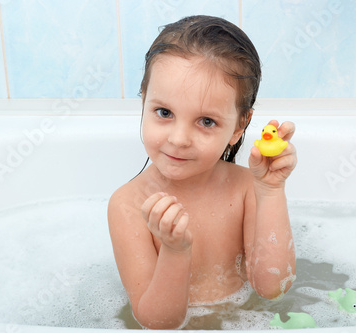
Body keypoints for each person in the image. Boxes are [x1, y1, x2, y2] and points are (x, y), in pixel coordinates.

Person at [108, 15, 297, 329]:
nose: (179, 139)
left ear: (240, 126)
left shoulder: (246, 187)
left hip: (246, 321)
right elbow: (157, 322)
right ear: (143, 100)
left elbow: (273, 288)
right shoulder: (128, 205)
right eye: (164, 112)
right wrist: (175, 251)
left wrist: (271, 191)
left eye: (206, 121)